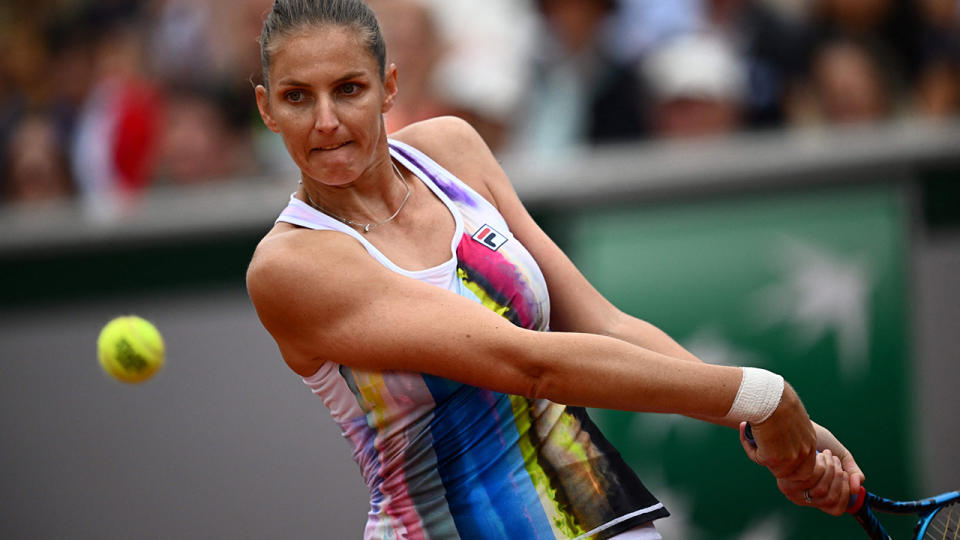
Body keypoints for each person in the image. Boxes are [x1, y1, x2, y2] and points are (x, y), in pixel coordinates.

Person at [245, 1, 864, 538]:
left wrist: (789, 426)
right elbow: (529, 365)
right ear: (267, 109)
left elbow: (605, 325)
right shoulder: (291, 266)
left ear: (389, 86)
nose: (325, 121)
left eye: (348, 89)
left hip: (601, 513)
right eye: (298, 97)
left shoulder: (452, 149)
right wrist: (758, 397)